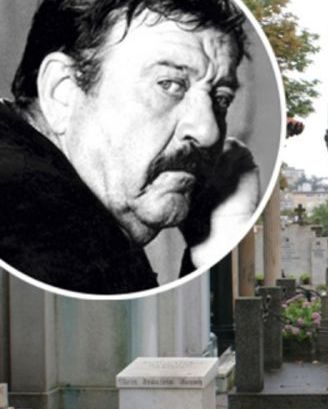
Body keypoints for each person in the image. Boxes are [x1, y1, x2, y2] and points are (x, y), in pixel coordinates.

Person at [0, 0, 261, 294]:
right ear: (62, 91)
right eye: (169, 84)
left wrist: (218, 244)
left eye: (222, 98)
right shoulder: (32, 226)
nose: (208, 131)